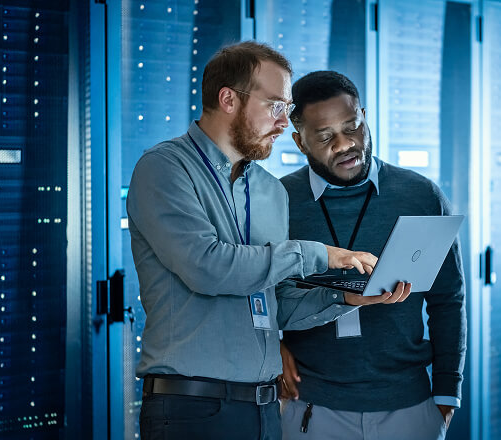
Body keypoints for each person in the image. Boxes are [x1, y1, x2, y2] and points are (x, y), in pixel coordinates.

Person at [127, 43, 411, 440]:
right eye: (276, 106)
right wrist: (320, 255)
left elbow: (276, 305)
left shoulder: (269, 191)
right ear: (228, 99)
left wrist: (346, 298)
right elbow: (207, 267)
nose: (283, 123)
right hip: (191, 408)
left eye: (287, 108)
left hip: (264, 409)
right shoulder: (165, 168)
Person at [278, 71, 467, 440]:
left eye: (353, 126)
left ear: (364, 116)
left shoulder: (420, 195)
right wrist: (274, 346)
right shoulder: (279, 202)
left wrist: (446, 395)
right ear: (300, 142)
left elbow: (448, 300)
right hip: (311, 410)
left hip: (409, 409)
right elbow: (256, 294)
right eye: (326, 137)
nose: (346, 144)